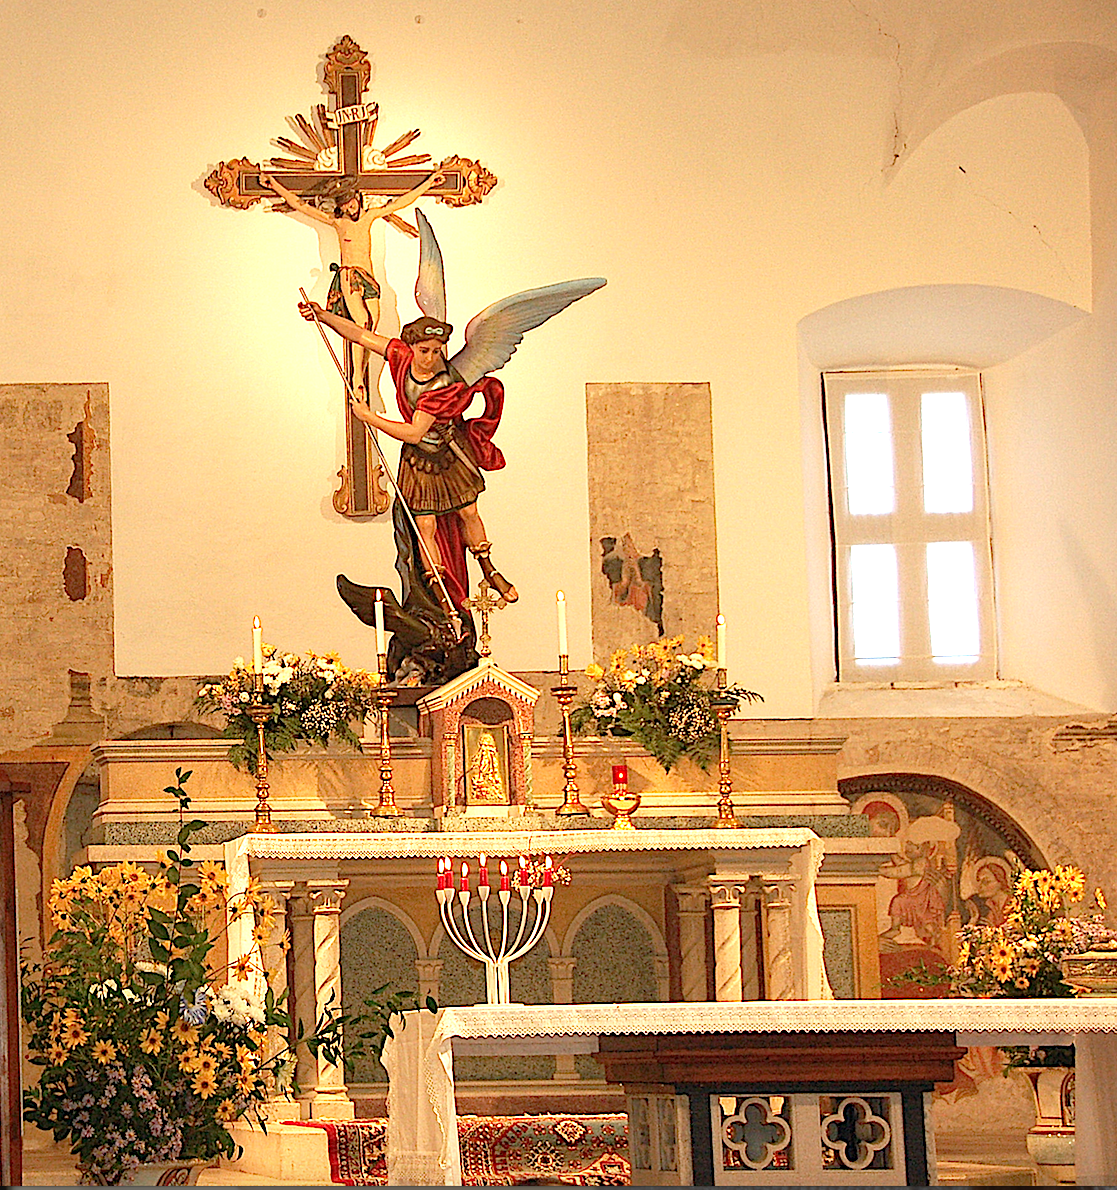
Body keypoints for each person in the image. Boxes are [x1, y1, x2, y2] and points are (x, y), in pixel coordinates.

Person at [298, 299, 517, 613]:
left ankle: (489, 570)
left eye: (437, 351)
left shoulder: (443, 384)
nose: (431, 358)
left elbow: (414, 432)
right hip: (418, 461)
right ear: (412, 347)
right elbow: (361, 336)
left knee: (469, 512)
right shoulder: (400, 355)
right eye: (424, 350)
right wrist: (322, 316)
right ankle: (442, 597)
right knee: (425, 525)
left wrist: (369, 417)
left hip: (448, 454)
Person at [263, 170, 444, 396]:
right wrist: (274, 185)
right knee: (362, 322)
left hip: (369, 278)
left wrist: (428, 183)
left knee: (371, 327)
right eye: (345, 206)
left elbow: (400, 202)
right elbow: (302, 206)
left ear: (357, 198)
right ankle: (358, 377)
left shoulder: (369, 217)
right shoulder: (338, 223)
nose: (349, 209)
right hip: (349, 276)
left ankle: (362, 374)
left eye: (351, 203)